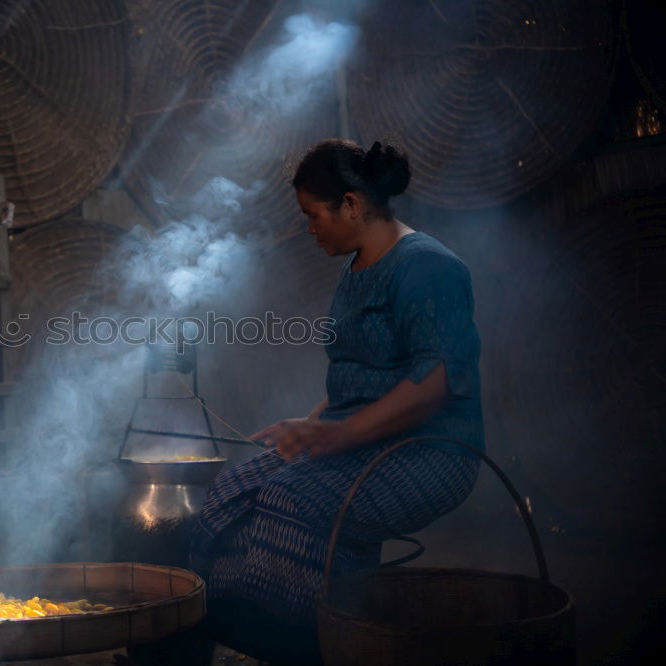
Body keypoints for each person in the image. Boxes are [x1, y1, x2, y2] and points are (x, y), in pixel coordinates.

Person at [188, 139, 484, 664]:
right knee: (231, 491)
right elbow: (358, 375)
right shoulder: (354, 270)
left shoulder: (429, 268)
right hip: (358, 441)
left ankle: (308, 644)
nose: (309, 228)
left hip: (428, 451)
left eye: (313, 214)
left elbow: (436, 382)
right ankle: (219, 623)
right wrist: (313, 421)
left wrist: (342, 434)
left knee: (288, 503)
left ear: (351, 204)